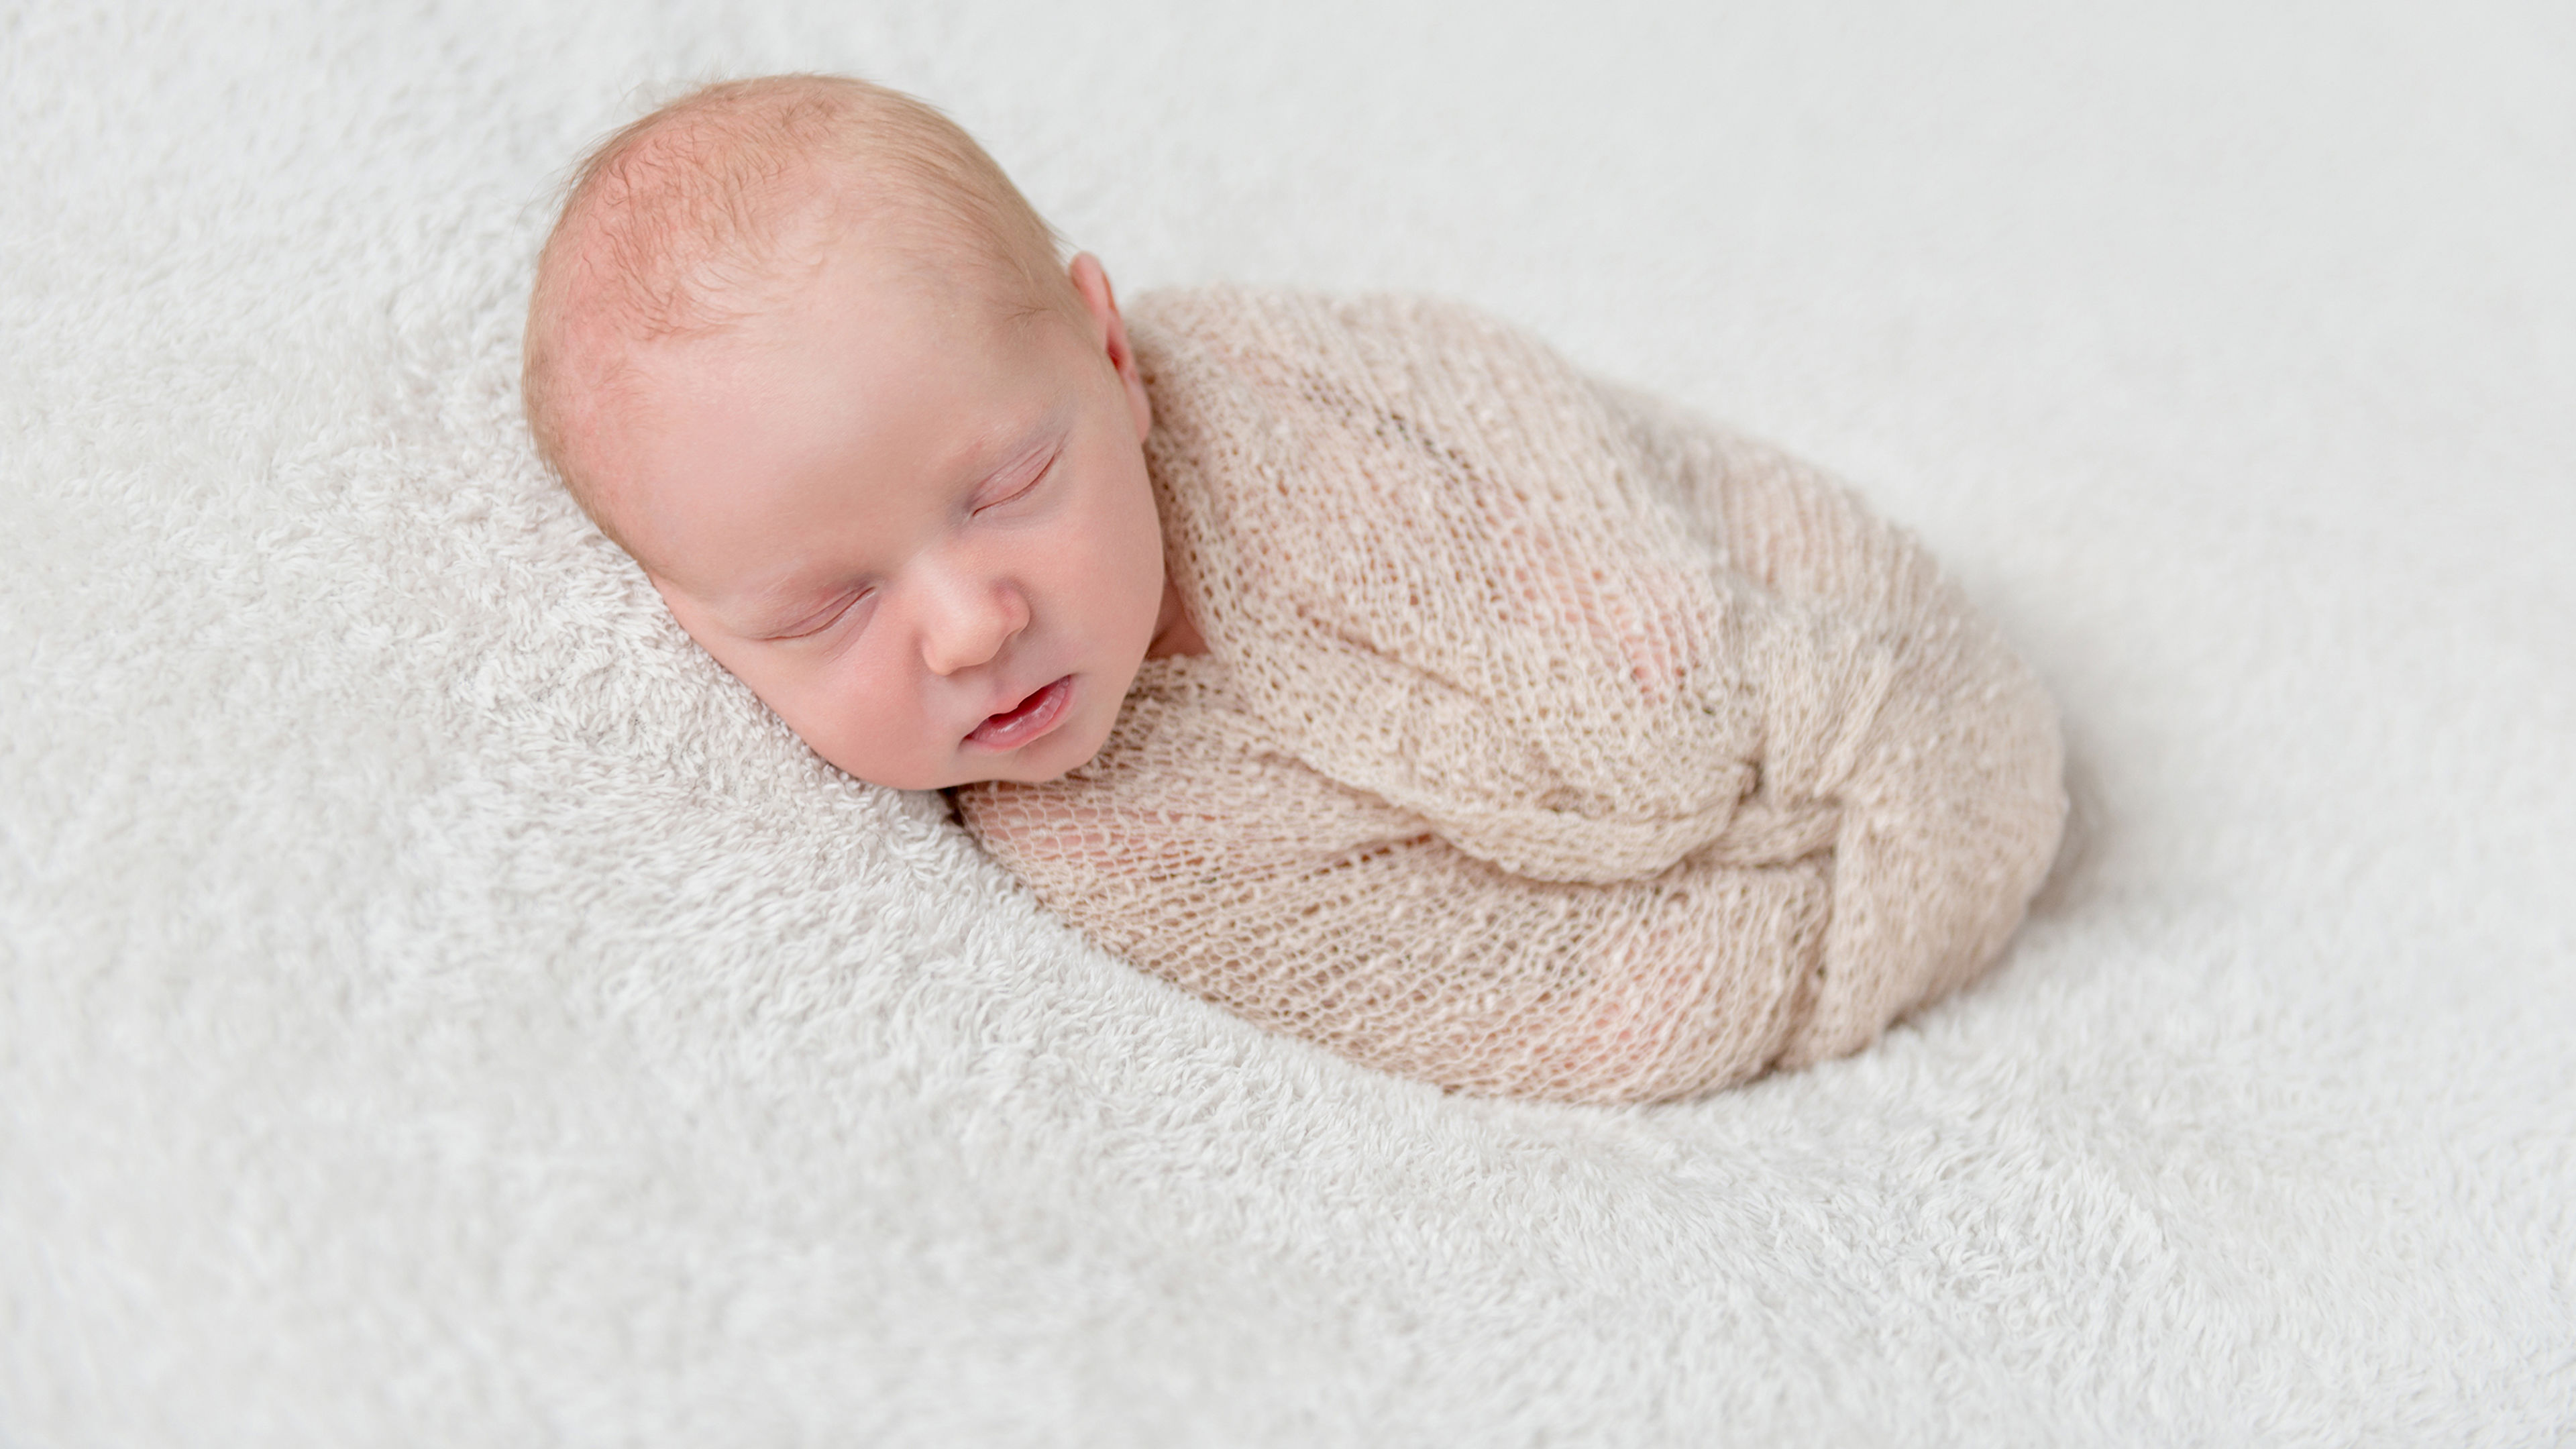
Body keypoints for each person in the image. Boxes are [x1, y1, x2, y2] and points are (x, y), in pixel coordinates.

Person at [522, 74, 2066, 1104]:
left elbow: (1536, 457)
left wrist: (1690, 701)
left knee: (1861, 688)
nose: (969, 623)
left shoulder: (1268, 392)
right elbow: (1478, 991)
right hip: (1777, 900)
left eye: (1004, 491)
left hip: (1775, 644)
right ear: (698, 631)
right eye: (826, 610)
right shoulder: (1105, 845)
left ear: (1111, 359)